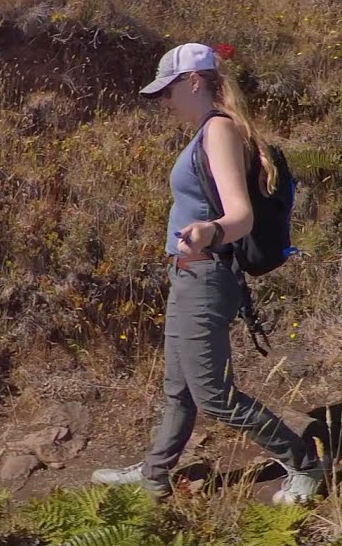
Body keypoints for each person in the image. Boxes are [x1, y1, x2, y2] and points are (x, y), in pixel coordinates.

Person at [90, 43, 324, 504]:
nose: (164, 100)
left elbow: (241, 216)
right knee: (178, 389)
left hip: (207, 276)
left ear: (194, 81)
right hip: (189, 275)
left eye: (168, 90)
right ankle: (154, 476)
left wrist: (208, 231)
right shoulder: (208, 131)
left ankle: (304, 464)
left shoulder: (219, 129)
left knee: (213, 394)